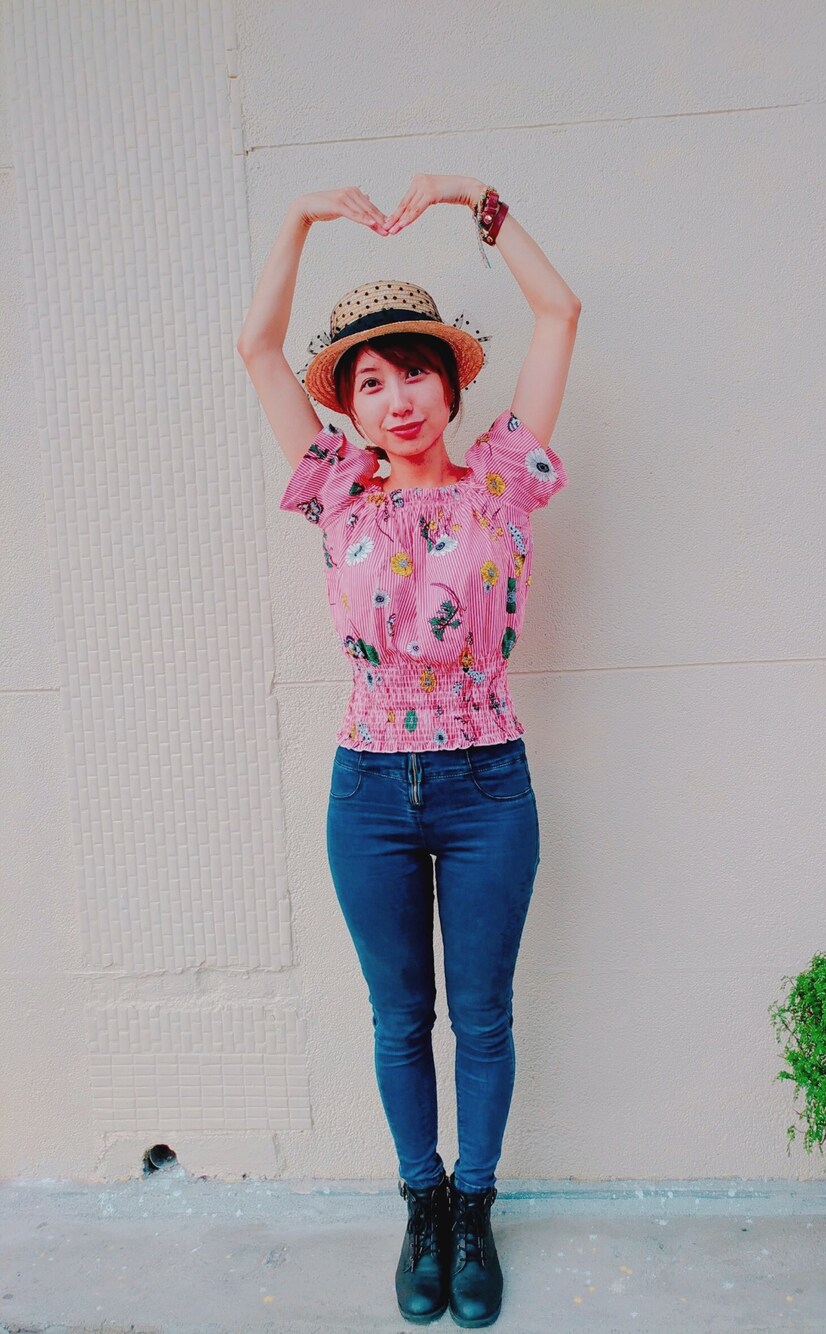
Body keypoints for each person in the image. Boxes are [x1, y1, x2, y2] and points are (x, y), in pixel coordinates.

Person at [237, 175, 580, 1328]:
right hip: (370, 788)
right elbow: (256, 348)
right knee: (398, 1017)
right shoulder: (336, 491)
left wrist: (478, 206)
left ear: (448, 381)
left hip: (488, 785)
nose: (396, 399)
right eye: (369, 381)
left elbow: (560, 312)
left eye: (414, 372)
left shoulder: (503, 481)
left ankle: (473, 1208)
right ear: (349, 403)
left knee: (481, 1015)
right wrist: (297, 221)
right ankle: (421, 1206)